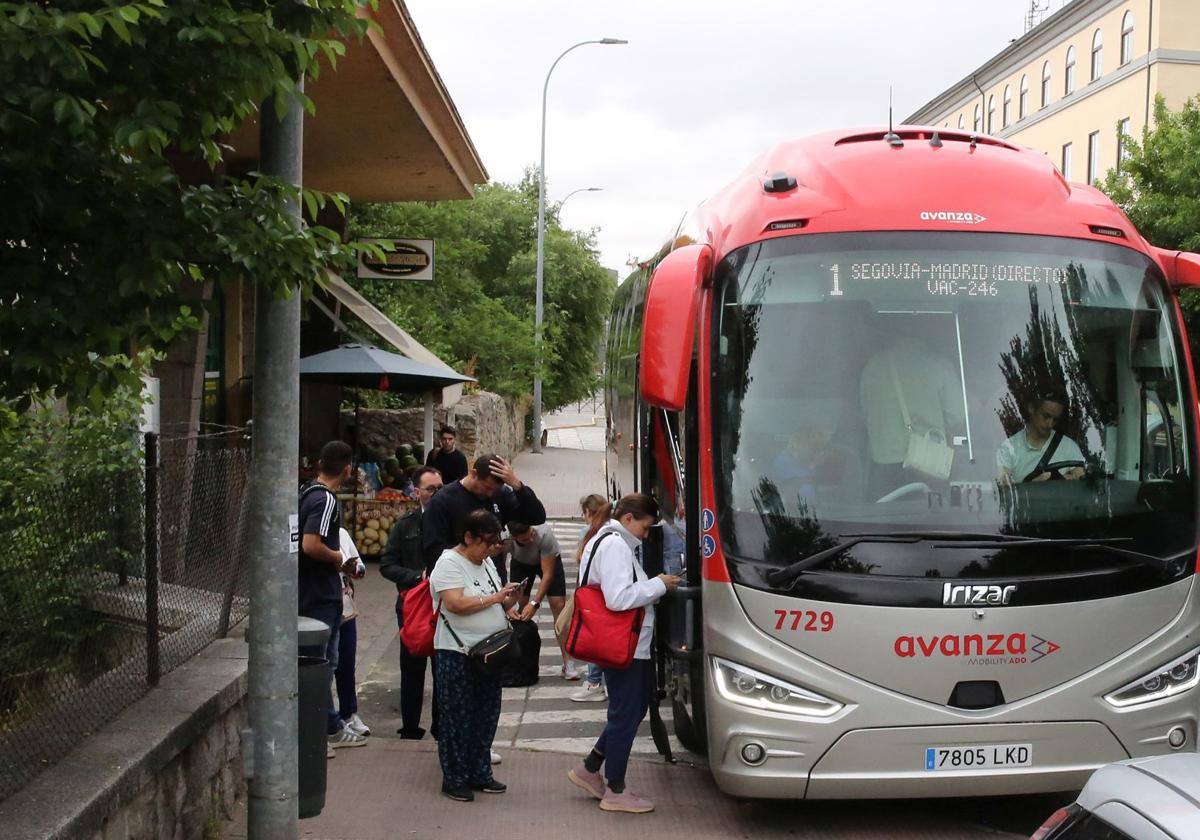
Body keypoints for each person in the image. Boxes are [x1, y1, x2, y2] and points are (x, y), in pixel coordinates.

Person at [420, 453, 544, 764]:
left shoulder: (502, 494)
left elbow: (535, 515)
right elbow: (432, 548)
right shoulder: (446, 500)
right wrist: (466, 564)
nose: (492, 495)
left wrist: (516, 484)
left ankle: (477, 745)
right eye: (489, 488)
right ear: (474, 474)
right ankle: (449, 743)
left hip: (492, 587)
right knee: (453, 686)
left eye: (497, 490)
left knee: (487, 679)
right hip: (457, 593)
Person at [567, 494, 680, 814]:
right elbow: (617, 598)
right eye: (645, 527)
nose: (646, 534)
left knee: (630, 709)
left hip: (621, 644)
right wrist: (659, 584)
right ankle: (615, 788)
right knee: (626, 715)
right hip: (625, 645)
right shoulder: (616, 545)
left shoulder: (604, 539)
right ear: (629, 519)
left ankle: (591, 768)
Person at [430, 509, 522, 802]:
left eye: (495, 544)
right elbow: (455, 603)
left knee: (486, 712)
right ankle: (455, 777)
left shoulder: (486, 563)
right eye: (485, 543)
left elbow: (496, 597)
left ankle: (479, 771)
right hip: (458, 652)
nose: (489, 550)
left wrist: (510, 601)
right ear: (467, 537)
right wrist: (495, 599)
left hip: (490, 651)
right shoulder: (448, 563)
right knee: (457, 717)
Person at [297, 441, 368, 751]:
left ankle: (324, 725)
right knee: (322, 662)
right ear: (348, 468)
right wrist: (338, 558)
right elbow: (311, 544)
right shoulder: (325, 500)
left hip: (311, 590)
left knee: (320, 661)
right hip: (319, 593)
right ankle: (327, 727)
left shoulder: (305, 492)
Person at [859, 332, 965, 497]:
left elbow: (866, 416)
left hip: (882, 470)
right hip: (928, 466)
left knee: (880, 519)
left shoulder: (873, 367)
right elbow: (958, 417)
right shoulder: (939, 365)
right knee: (933, 519)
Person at [379, 465, 442, 740]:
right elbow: (387, 565)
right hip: (413, 607)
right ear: (417, 492)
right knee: (412, 668)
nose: (437, 494)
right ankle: (410, 728)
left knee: (443, 669)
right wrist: (418, 577)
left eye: (441, 488)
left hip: (445, 606)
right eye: (431, 489)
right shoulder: (405, 525)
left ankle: (441, 727)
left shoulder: (452, 524)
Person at [505, 521, 576, 679]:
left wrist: (535, 603)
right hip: (520, 562)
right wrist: (506, 602)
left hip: (549, 561)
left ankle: (568, 662)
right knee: (518, 607)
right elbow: (498, 568)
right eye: (524, 539)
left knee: (559, 606)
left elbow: (548, 575)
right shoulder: (505, 538)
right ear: (514, 537)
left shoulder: (543, 534)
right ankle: (518, 663)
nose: (530, 539)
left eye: (531, 535)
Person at [570, 494, 611, 703]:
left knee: (595, 638)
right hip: (609, 591)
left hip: (594, 595)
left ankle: (594, 682)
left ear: (587, 513)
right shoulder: (615, 530)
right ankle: (603, 681)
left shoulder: (587, 533)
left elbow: (582, 567)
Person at [997, 392, 1086, 485]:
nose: (1050, 424)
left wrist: (1064, 480)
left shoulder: (1069, 446)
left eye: (1055, 419)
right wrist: (1035, 485)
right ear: (1031, 409)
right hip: (1026, 499)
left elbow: (1083, 482)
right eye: (1046, 416)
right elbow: (1004, 488)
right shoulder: (1008, 448)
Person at [334, 528, 370, 738]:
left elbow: (360, 568)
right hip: (321, 605)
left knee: (347, 663)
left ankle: (348, 713)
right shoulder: (310, 536)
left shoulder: (341, 534)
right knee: (328, 664)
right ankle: (330, 720)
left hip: (344, 607)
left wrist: (354, 569)